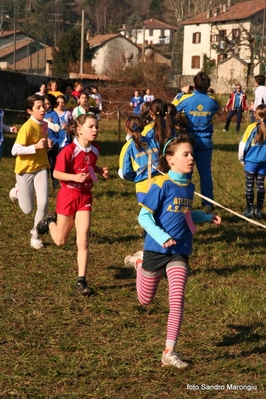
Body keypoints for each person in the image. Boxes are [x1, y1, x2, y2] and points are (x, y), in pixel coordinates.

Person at [134, 134, 221, 368]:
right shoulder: (161, 185)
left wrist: (205, 216)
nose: (191, 157)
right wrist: (163, 238)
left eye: (192, 153)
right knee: (145, 300)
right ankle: (139, 263)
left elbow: (185, 213)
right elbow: (144, 217)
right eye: (186, 154)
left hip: (181, 249)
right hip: (156, 249)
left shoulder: (189, 187)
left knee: (177, 298)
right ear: (170, 160)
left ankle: (169, 351)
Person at [35, 114, 109, 296]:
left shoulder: (95, 150)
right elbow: (57, 174)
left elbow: (90, 164)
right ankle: (50, 222)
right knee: (60, 241)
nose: (95, 130)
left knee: (83, 239)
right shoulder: (68, 150)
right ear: (79, 130)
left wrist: (100, 171)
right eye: (91, 127)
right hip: (68, 196)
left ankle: (81, 280)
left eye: (97, 127)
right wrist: (75, 177)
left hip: (84, 197)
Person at [9, 94, 53, 249]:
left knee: (43, 203)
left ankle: (35, 234)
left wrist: (48, 145)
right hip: (25, 170)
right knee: (28, 210)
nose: (43, 110)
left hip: (41, 167)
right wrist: (35, 147)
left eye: (44, 106)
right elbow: (15, 150)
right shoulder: (27, 128)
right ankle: (17, 191)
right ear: (29, 110)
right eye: (38, 107)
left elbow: (43, 144)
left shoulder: (44, 125)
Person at [172, 72, 220, 211]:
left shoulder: (186, 99)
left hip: (189, 142)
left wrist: (182, 93)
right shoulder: (213, 100)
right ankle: (208, 204)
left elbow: (172, 106)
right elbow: (218, 103)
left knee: (186, 173)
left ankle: (185, 203)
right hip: (205, 141)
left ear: (194, 85)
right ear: (208, 86)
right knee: (205, 173)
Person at [238, 104, 266, 219]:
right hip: (264, 163)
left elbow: (243, 144)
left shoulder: (252, 127)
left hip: (251, 162)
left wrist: (241, 158)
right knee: (261, 186)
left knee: (249, 186)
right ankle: (258, 210)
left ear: (255, 114)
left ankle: (249, 209)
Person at [44, 94, 61, 189]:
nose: (46, 106)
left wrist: (47, 122)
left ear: (51, 104)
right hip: (45, 142)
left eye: (48, 104)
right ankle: (44, 182)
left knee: (52, 163)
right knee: (44, 163)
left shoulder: (53, 114)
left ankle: (54, 180)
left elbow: (57, 128)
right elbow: (43, 131)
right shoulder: (42, 114)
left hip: (54, 143)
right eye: (44, 104)